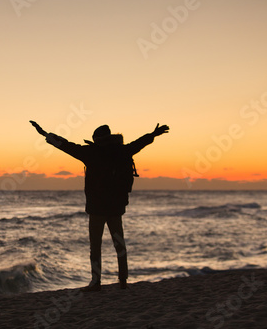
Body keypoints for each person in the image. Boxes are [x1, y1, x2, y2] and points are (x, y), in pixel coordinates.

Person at [32, 121, 169, 291]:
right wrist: (154, 134)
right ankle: (123, 281)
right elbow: (140, 143)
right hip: (116, 207)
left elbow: (66, 146)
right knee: (119, 244)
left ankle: (96, 282)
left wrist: (45, 134)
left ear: (96, 139)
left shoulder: (91, 153)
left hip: (97, 208)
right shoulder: (122, 151)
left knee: (95, 247)